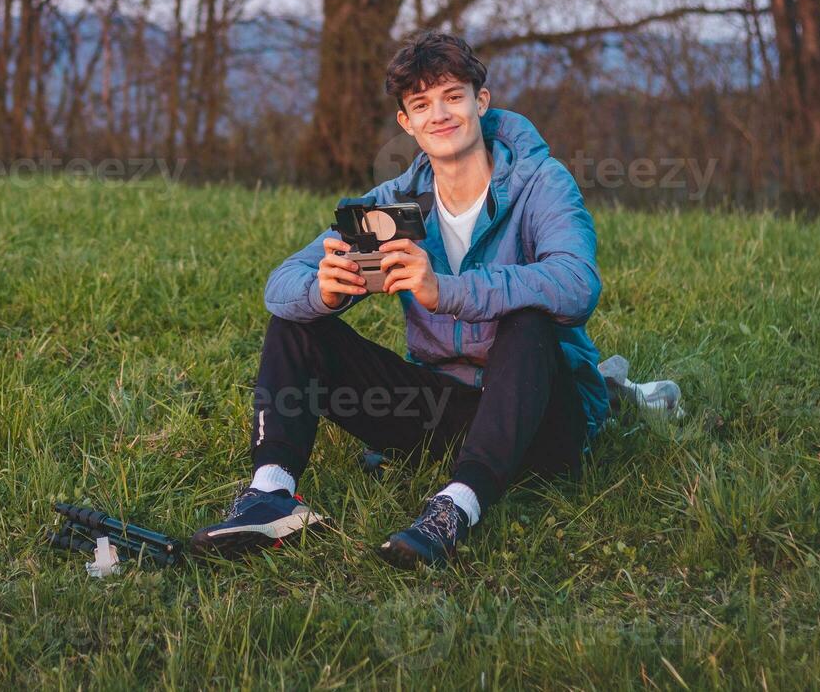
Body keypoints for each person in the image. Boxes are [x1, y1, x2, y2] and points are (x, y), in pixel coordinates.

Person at [190, 30, 609, 568]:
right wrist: (325, 290)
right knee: (297, 320)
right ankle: (271, 493)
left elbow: (577, 285)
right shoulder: (392, 203)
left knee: (528, 320)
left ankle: (456, 508)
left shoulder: (541, 181)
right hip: (440, 409)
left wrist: (446, 291)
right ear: (406, 123)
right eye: (421, 104)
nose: (440, 114)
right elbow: (281, 285)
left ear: (480, 102)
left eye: (452, 96)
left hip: (541, 420)